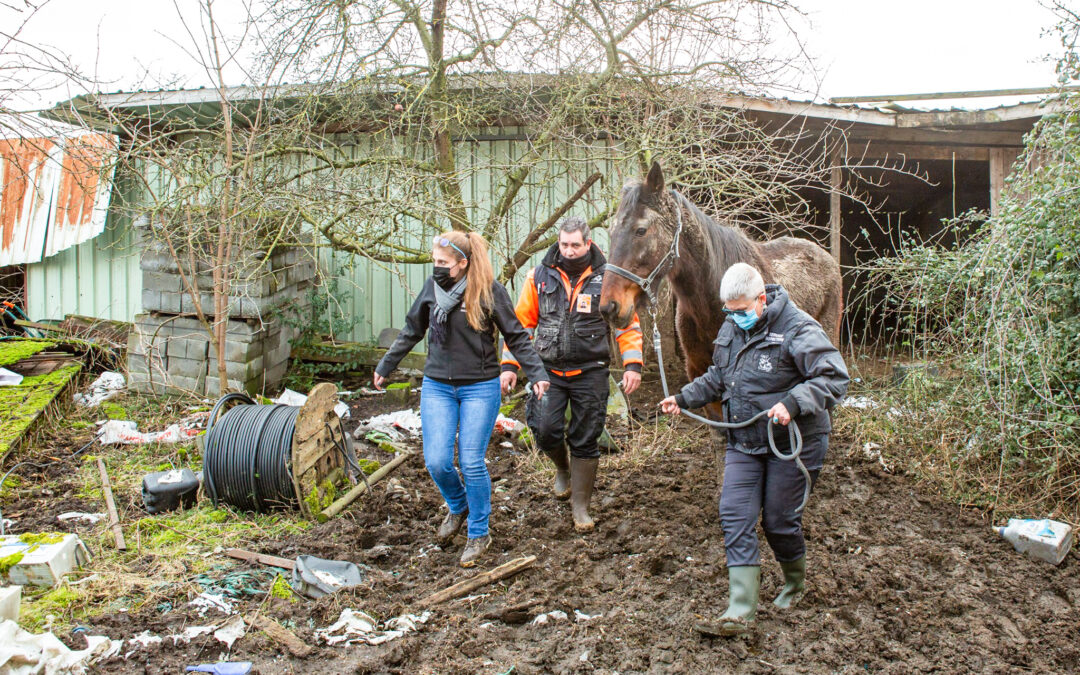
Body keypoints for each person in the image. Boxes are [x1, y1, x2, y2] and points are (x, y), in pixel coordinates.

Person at [659, 262, 848, 636]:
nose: (735, 318)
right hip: (744, 441)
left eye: (742, 311)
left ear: (762, 300)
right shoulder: (732, 325)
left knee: (779, 521)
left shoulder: (798, 328)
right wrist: (683, 397)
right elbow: (719, 376)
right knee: (734, 515)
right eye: (729, 311)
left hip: (792, 445)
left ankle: (794, 584)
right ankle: (740, 610)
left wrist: (792, 403)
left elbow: (833, 376)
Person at [375, 231, 550, 568]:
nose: (437, 267)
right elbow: (413, 329)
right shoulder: (432, 288)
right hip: (438, 386)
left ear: (462, 263)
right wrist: (386, 365)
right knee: (437, 461)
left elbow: (516, 335)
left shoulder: (489, 291)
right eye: (435, 261)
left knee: (471, 461)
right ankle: (459, 506)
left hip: (480, 387)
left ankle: (479, 532)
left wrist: (538, 373)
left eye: (443, 263)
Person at [501, 216, 643, 531]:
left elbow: (626, 323)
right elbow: (520, 324)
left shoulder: (607, 277)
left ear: (588, 243)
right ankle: (562, 469)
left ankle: (581, 507)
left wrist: (633, 364)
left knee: (586, 437)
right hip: (547, 369)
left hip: (591, 370)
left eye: (575, 245)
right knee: (545, 429)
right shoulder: (538, 276)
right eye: (564, 244)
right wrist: (509, 366)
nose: (568, 251)